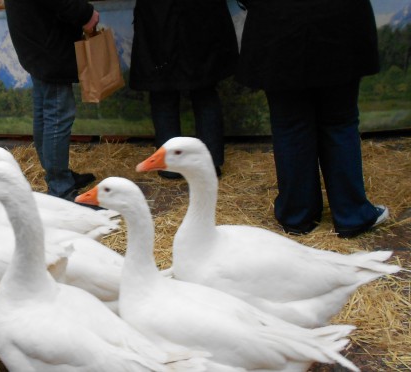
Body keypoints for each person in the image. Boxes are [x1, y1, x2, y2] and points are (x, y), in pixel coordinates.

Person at [235, 0, 388, 238]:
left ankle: (297, 216)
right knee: (339, 122)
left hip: (278, 23)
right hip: (340, 20)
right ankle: (351, 215)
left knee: (291, 126)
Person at [129, 0, 239, 179]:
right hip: (200, 16)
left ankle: (170, 165)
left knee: (164, 91)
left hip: (159, 16)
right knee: (203, 91)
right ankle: (209, 163)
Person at [3, 0, 98, 201]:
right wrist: (86, 14)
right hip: (48, 43)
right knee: (57, 114)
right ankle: (60, 187)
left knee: (45, 110)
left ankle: (57, 175)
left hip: (35, 38)